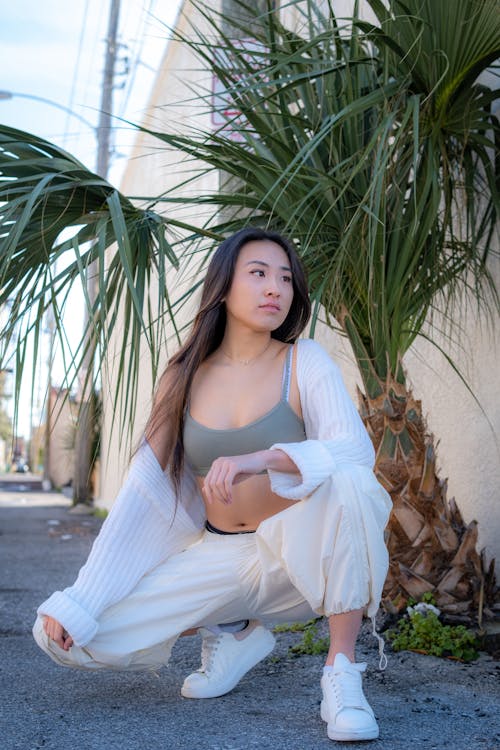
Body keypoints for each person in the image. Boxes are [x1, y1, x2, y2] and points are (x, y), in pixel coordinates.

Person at [33, 227, 392, 743]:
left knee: (350, 484)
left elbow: (355, 451)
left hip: (295, 559)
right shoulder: (183, 375)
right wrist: (84, 598)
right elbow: (144, 487)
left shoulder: (303, 360)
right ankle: (233, 632)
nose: (276, 288)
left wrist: (264, 458)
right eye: (259, 273)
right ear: (223, 286)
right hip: (219, 555)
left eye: (286, 278)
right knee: (69, 636)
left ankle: (341, 673)